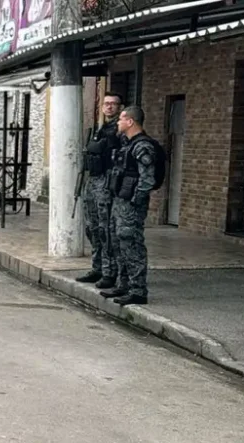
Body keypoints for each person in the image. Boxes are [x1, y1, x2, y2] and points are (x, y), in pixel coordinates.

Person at [105, 105, 159, 306]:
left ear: (130, 122)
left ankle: (138, 290)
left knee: (131, 243)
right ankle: (123, 283)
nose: (117, 122)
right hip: (120, 200)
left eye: (121, 119)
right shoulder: (127, 144)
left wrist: (136, 200)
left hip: (131, 204)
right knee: (118, 241)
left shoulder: (142, 146)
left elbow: (147, 179)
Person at [76, 92, 124, 290]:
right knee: (92, 228)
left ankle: (109, 271)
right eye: (106, 104)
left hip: (106, 182)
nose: (110, 107)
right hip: (92, 180)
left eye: (114, 104)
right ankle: (97, 268)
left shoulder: (119, 131)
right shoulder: (99, 128)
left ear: (120, 108)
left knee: (105, 230)